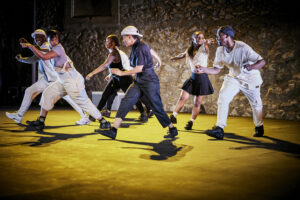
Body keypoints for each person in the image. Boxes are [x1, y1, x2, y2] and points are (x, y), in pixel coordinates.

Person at [96, 26, 178, 139]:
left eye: (124, 38)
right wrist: (159, 60)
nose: (123, 41)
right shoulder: (138, 45)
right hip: (138, 81)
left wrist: (121, 73)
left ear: (130, 37)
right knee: (126, 101)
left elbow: (139, 68)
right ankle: (113, 130)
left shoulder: (140, 48)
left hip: (149, 82)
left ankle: (172, 129)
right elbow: (150, 50)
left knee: (156, 107)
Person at [20, 29, 110, 130]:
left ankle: (103, 121)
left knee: (83, 102)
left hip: (72, 81)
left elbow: (44, 57)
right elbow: (44, 50)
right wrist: (30, 45)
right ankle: (41, 121)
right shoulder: (51, 47)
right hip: (63, 81)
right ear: (48, 41)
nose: (55, 41)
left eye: (56, 39)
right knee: (48, 93)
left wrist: (30, 46)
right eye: (52, 40)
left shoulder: (58, 48)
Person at [5, 29, 90, 125]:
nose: (36, 38)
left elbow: (42, 53)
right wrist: (24, 55)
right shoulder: (40, 47)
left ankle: (85, 117)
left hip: (56, 80)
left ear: (44, 37)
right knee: (29, 91)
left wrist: (28, 50)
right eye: (35, 37)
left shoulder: (47, 45)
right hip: (46, 81)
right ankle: (18, 116)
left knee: (70, 97)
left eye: (38, 36)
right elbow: (35, 57)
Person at [199, 26, 266, 139]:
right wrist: (203, 69)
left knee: (256, 105)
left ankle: (259, 126)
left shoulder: (242, 47)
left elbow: (262, 61)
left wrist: (252, 66)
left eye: (219, 36)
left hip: (250, 79)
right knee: (223, 97)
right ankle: (219, 128)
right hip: (234, 77)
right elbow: (216, 69)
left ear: (227, 36)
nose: (217, 39)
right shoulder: (220, 50)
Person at [86, 34, 149, 122]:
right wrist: (110, 75)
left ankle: (143, 113)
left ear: (112, 43)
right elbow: (113, 67)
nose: (105, 42)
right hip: (116, 79)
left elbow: (104, 66)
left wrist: (91, 73)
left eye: (107, 41)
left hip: (124, 79)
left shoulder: (114, 53)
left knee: (132, 97)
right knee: (105, 95)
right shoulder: (112, 52)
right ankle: (95, 114)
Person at [169, 31, 214, 130]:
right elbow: (183, 54)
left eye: (202, 38)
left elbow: (207, 44)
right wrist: (175, 58)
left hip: (202, 78)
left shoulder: (204, 48)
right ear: (193, 38)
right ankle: (173, 116)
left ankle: (191, 122)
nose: (200, 40)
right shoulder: (189, 50)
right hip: (193, 77)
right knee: (182, 98)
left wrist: (207, 42)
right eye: (198, 38)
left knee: (197, 103)